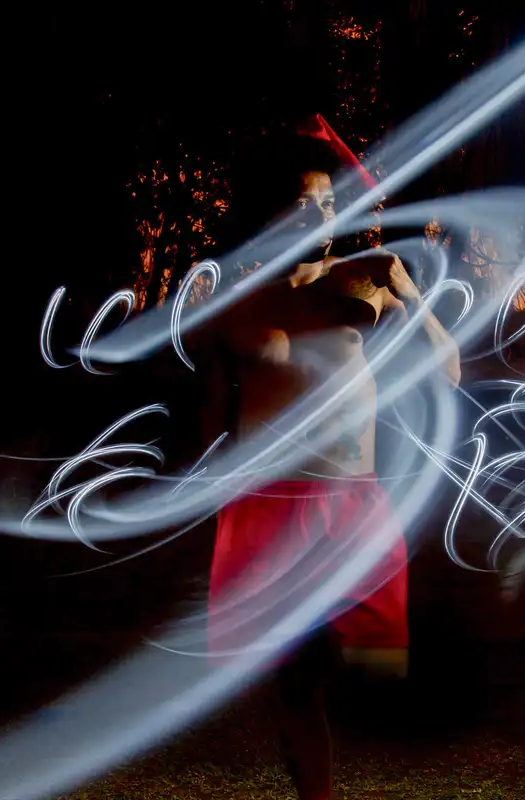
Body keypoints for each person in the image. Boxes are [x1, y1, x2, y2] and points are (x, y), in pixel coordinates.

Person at [198, 118, 460, 800]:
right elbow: (239, 379)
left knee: (378, 669)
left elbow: (449, 369)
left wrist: (405, 290)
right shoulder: (239, 294)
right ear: (268, 210)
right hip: (274, 503)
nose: (323, 209)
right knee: (296, 679)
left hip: (355, 498)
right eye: (306, 198)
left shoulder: (363, 282)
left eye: (326, 199)